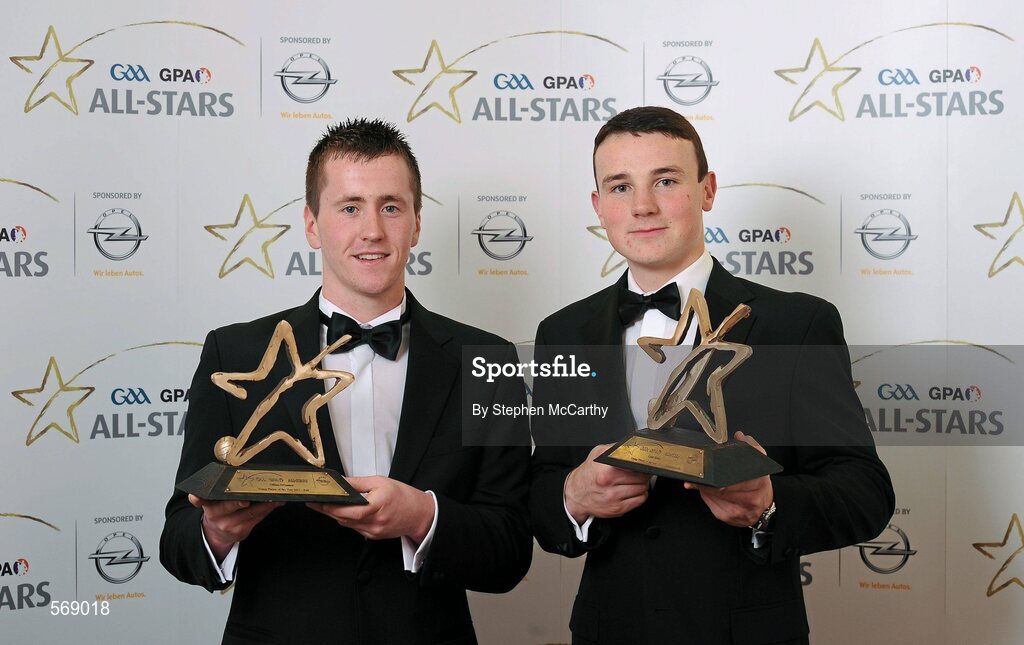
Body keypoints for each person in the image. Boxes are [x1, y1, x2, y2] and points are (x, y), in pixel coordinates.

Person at [528, 106, 895, 645]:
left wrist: (769, 505)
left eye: (666, 181)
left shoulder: (797, 323)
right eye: (620, 187)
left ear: (707, 189)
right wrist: (572, 498)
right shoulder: (563, 332)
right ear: (598, 206)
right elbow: (539, 493)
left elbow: (865, 494)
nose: (643, 206)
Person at [161, 118, 532, 644]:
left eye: (391, 206)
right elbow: (178, 541)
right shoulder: (234, 351)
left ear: (417, 223)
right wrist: (217, 532)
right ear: (312, 224)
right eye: (350, 207)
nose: (373, 231)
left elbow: (511, 552)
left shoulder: (486, 359)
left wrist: (422, 516)